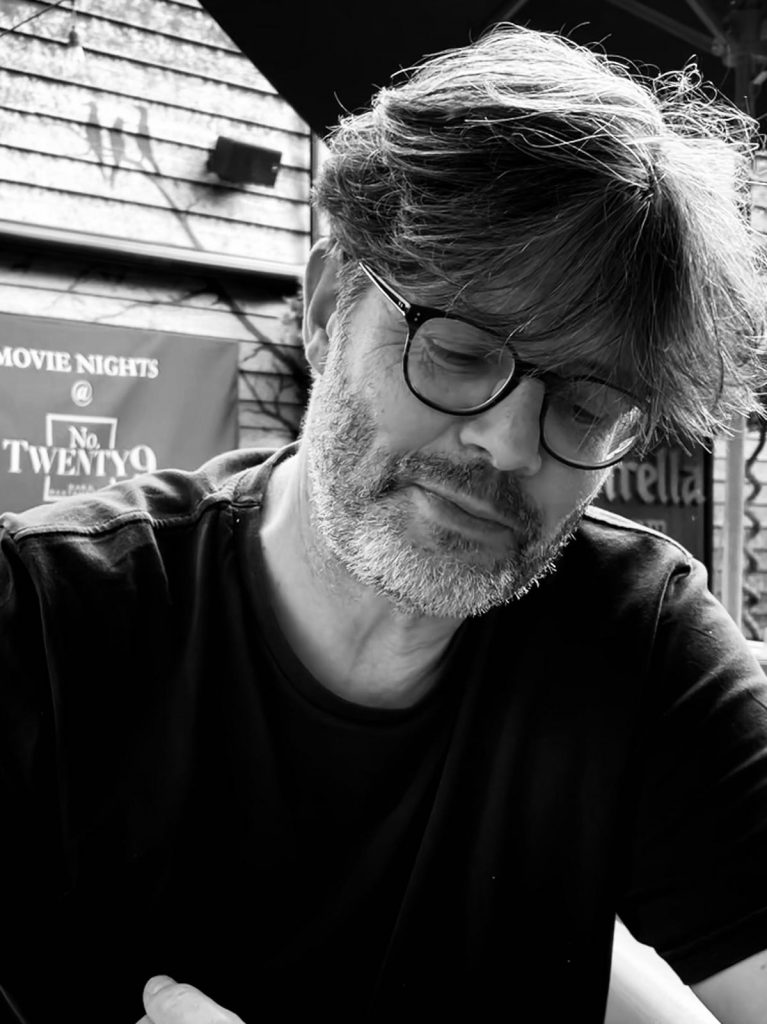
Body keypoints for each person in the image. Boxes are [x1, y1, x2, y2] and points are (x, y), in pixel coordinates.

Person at [2, 23, 767, 1024]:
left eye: (584, 402)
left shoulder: (637, 645)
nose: (507, 442)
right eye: (455, 349)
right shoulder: (46, 622)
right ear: (325, 307)